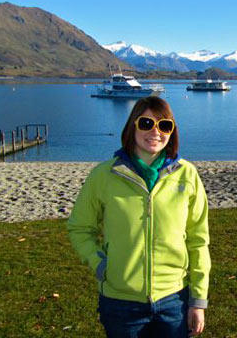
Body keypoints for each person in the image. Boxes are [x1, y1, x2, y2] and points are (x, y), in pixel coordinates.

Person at [67, 96, 211, 338]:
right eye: (146, 123)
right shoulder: (104, 175)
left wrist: (198, 300)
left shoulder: (187, 175)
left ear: (172, 132)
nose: (155, 132)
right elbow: (79, 227)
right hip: (120, 302)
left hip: (174, 300)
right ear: (132, 125)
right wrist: (100, 264)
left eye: (164, 125)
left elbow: (198, 240)